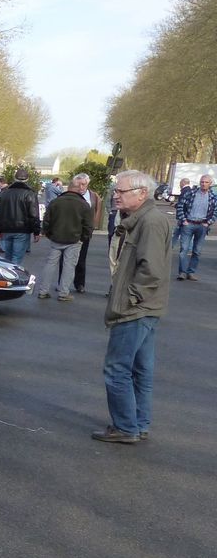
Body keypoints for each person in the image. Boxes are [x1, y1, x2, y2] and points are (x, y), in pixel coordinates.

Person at [93, 169, 172, 443]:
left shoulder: (150, 222)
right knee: (140, 370)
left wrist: (130, 299)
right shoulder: (142, 219)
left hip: (136, 309)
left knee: (117, 369)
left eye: (121, 191)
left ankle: (126, 427)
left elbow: (151, 271)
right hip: (143, 307)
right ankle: (138, 423)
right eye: (116, 191)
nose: (115, 195)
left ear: (141, 194)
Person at [37, 181, 93, 301]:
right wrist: (84, 237)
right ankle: (63, 293)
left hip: (56, 237)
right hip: (74, 239)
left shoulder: (55, 202)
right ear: (78, 190)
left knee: (50, 264)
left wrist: (48, 233)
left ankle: (43, 290)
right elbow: (88, 225)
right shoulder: (83, 204)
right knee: (69, 266)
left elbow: (47, 220)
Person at [0, 167, 40, 265]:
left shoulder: (5, 193)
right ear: (27, 179)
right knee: (16, 258)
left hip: (6, 228)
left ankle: (8, 273)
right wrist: (36, 232)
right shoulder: (30, 193)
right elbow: (34, 214)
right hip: (22, 229)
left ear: (15, 178)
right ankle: (14, 274)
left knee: (7, 258)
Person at [174, 174, 215, 279]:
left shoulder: (213, 197)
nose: (203, 184)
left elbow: (215, 211)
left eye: (206, 182)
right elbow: (180, 206)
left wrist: (208, 222)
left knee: (197, 251)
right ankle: (182, 272)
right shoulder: (191, 193)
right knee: (184, 250)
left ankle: (191, 272)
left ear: (210, 184)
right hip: (188, 224)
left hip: (202, 225)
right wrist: (183, 220)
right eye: (202, 182)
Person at [69, 173, 103, 293]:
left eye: (84, 184)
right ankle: (62, 283)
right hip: (70, 230)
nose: (81, 187)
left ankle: (80, 284)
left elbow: (97, 211)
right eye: (78, 184)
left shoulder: (94, 196)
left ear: (88, 184)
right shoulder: (69, 195)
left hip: (85, 231)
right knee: (65, 258)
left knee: (81, 259)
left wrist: (92, 227)